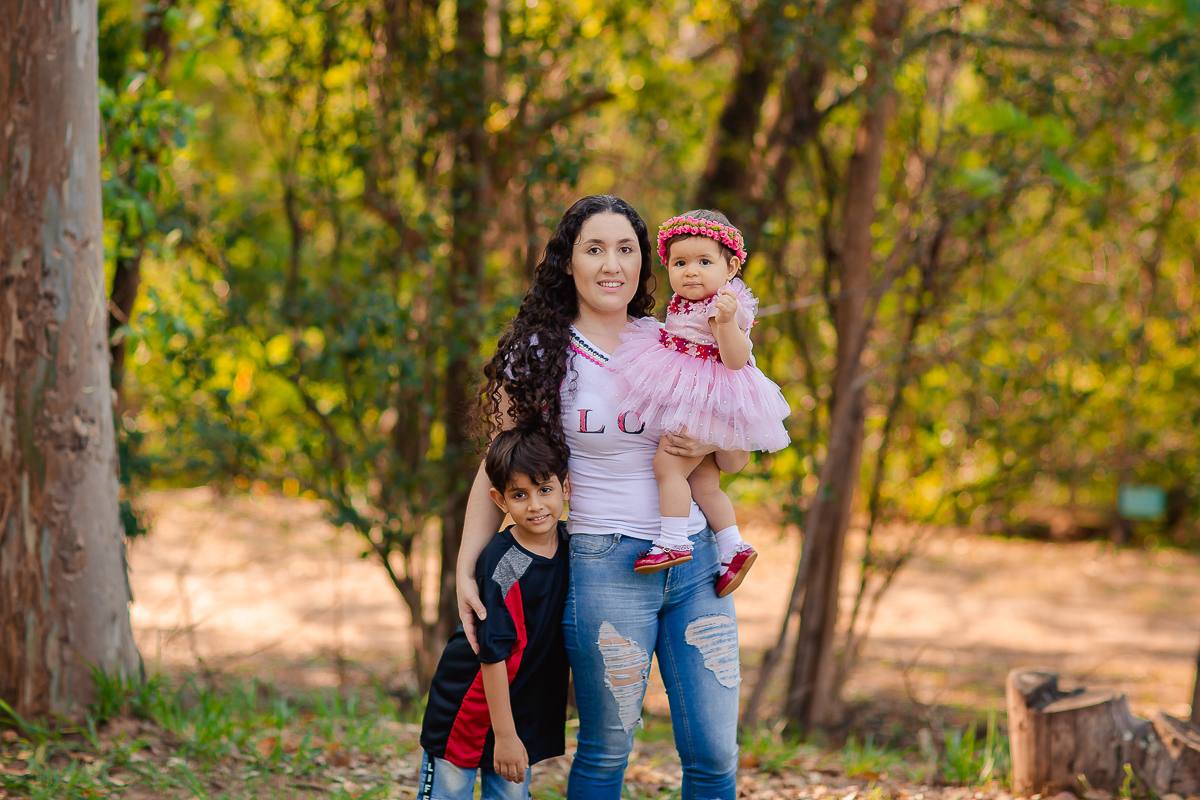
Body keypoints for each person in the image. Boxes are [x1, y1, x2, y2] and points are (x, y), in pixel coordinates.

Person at [458, 195, 749, 800]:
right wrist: (467, 569)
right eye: (594, 249)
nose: (611, 264)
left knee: (716, 755)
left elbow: (734, 460)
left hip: (694, 562)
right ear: (568, 261)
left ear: (647, 263)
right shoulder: (541, 353)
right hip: (605, 566)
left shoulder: (676, 338)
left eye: (627, 249)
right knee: (607, 751)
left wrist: (712, 433)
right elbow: (497, 468)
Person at [607, 210, 790, 596]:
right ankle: (733, 546)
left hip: (708, 394)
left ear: (731, 267)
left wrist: (725, 323)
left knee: (667, 464)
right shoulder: (686, 301)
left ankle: (673, 540)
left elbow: (737, 358)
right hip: (695, 388)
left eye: (704, 262)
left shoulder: (726, 305)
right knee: (704, 483)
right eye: (680, 262)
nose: (691, 272)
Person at [418, 427, 571, 800]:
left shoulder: (573, 546)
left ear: (565, 487)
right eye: (520, 495)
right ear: (500, 500)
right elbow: (492, 655)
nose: (535, 505)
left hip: (520, 710)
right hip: (468, 709)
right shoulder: (504, 565)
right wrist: (504, 735)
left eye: (544, 490)